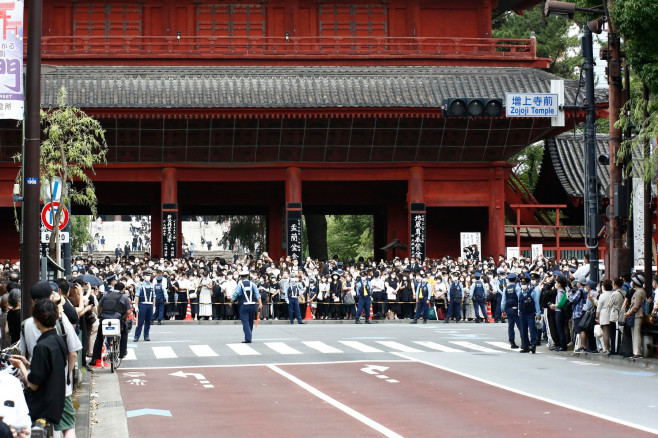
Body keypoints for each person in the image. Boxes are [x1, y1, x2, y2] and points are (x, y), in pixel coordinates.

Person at [18, 282, 81, 438]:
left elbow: (33, 382)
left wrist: (23, 366)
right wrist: (67, 377)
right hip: (59, 387)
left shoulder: (26, 325)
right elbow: (73, 353)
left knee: (36, 429)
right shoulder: (60, 325)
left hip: (39, 390)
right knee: (68, 426)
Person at [91, 282, 132, 366]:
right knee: (124, 333)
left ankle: (95, 358)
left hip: (105, 319)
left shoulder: (106, 294)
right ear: (123, 289)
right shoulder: (123, 296)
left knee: (99, 337)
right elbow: (128, 310)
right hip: (117, 319)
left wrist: (99, 314)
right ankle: (122, 352)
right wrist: (125, 317)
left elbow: (99, 306)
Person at [231, 270, 262, 343]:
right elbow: (257, 294)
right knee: (251, 321)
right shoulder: (253, 284)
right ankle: (249, 336)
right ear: (248, 276)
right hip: (252, 305)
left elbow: (236, 294)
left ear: (241, 277)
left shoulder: (240, 284)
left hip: (243, 305)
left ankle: (248, 338)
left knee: (245, 322)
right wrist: (260, 303)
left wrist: (231, 301)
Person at [625, 274, 647, 359]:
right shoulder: (640, 291)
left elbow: (636, 306)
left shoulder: (638, 292)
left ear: (636, 283)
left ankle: (637, 352)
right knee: (635, 332)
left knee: (636, 333)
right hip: (637, 314)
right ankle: (636, 352)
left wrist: (629, 313)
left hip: (637, 314)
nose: (632, 283)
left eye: (633, 282)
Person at [518, 276, 541, 354]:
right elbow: (519, 303)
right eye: (522, 283)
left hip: (530, 314)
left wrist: (538, 313)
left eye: (524, 284)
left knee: (532, 330)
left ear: (528, 284)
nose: (523, 285)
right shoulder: (520, 292)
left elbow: (536, 303)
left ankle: (533, 345)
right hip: (522, 314)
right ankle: (525, 346)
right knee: (523, 330)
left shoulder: (532, 292)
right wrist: (518, 311)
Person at [501, 273, 521, 349]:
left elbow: (503, 301)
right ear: (515, 279)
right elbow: (520, 299)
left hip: (508, 309)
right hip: (516, 309)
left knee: (511, 326)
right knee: (520, 326)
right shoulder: (517, 287)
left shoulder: (506, 288)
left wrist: (503, 310)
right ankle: (523, 341)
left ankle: (512, 342)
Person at [134, 273, 155, 342]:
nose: (148, 277)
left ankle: (146, 336)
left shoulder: (152, 285)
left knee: (148, 322)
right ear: (143, 277)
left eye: (149, 275)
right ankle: (136, 336)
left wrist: (154, 306)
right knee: (140, 322)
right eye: (146, 275)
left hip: (150, 305)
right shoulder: (140, 285)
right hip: (142, 304)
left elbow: (154, 297)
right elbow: (137, 296)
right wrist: (136, 306)